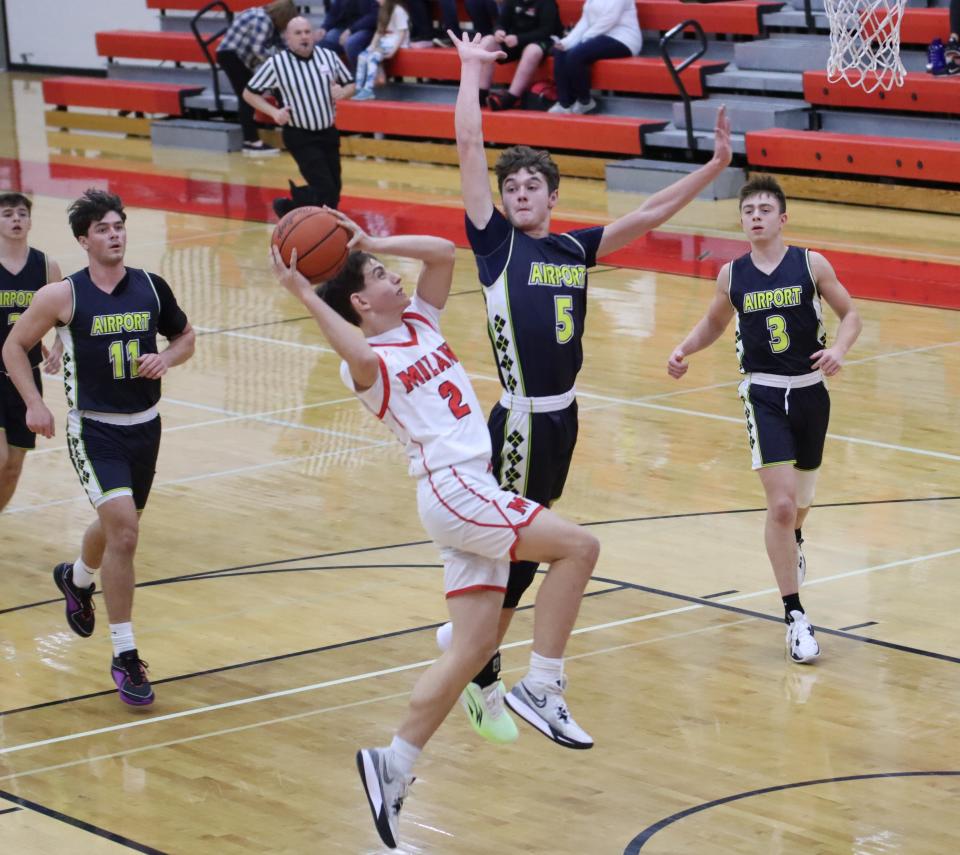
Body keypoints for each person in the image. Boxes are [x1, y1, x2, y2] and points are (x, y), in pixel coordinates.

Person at [269, 210, 600, 850]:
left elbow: (444, 254)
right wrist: (307, 294)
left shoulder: (419, 320)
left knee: (472, 650)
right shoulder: (363, 363)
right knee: (580, 547)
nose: (398, 277)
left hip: (469, 490)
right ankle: (543, 685)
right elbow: (358, 349)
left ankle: (392, 764)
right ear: (361, 301)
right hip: (455, 488)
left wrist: (371, 242)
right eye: (382, 276)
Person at [446, 30, 731, 746]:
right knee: (516, 548)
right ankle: (487, 670)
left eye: (529, 186)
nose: (516, 193)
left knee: (521, 547)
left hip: (563, 419)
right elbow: (470, 153)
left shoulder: (573, 248)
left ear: (552, 195)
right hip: (520, 421)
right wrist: (470, 71)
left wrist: (714, 165)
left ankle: (478, 656)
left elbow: (648, 214)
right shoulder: (496, 244)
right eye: (510, 188)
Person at [2, 189, 196, 705]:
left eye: (120, 226)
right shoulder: (62, 295)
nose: (115, 234)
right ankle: (125, 655)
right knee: (126, 534)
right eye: (104, 229)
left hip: (146, 426)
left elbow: (186, 337)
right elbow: (13, 346)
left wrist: (168, 359)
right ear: (84, 239)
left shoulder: (152, 288)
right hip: (95, 428)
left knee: (118, 525)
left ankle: (78, 577)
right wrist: (33, 404)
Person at [666, 175, 862, 664]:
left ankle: (794, 537)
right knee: (779, 505)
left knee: (801, 502)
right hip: (763, 393)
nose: (755, 215)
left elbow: (851, 314)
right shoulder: (732, 275)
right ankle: (795, 615)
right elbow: (715, 321)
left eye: (764, 209)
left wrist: (838, 349)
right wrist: (684, 348)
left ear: (782, 218)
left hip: (812, 393)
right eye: (748, 209)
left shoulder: (810, 263)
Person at [243, 16, 356, 217]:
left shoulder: (328, 56)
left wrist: (343, 92)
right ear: (288, 38)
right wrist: (274, 112)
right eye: (298, 33)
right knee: (325, 187)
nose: (304, 36)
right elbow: (249, 93)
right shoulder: (277, 64)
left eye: (307, 31)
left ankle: (290, 208)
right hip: (300, 134)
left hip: (328, 131)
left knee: (334, 189)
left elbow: (351, 84)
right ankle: (322, 230)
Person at [0, 192, 63, 512]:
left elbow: (66, 314)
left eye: (22, 214)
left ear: (30, 221)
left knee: (11, 468)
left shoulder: (45, 266)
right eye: (8, 214)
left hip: (24, 377)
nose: (15, 220)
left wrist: (57, 345)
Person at [216, 0, 299, 155]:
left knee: (249, 95)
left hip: (234, 56)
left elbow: (280, 45)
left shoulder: (264, 17)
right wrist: (278, 65)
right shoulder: (263, 20)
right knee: (247, 97)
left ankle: (251, 140)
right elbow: (258, 49)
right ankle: (251, 141)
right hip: (232, 56)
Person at [548, 0, 642, 114]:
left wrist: (585, 38)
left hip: (623, 38)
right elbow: (585, 21)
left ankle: (585, 102)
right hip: (596, 36)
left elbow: (609, 18)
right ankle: (564, 103)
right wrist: (567, 42)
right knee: (561, 51)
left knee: (576, 54)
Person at [479, 0, 561, 110]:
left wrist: (519, 39)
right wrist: (499, 31)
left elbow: (546, 31)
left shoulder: (547, 3)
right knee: (487, 41)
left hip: (542, 41)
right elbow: (501, 22)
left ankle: (511, 98)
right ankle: (481, 94)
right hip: (515, 41)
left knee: (532, 50)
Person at [353, 0, 411, 100]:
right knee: (362, 56)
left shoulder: (398, 10)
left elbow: (402, 33)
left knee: (373, 57)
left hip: (396, 42)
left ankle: (368, 89)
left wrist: (393, 51)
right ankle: (358, 88)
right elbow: (379, 31)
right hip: (385, 40)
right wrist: (371, 46)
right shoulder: (382, 10)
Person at [315, 0, 380, 70]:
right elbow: (333, 13)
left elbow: (374, 16)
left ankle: (359, 75)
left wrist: (351, 30)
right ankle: (328, 75)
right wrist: (324, 28)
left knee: (351, 43)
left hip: (367, 28)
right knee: (322, 42)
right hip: (343, 29)